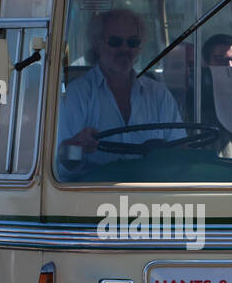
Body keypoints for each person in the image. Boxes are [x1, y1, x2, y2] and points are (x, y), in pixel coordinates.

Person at [57, 9, 184, 170]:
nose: (125, 49)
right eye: (115, 41)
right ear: (97, 44)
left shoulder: (159, 95)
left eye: (132, 42)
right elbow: (61, 167)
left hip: (150, 189)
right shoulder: (77, 95)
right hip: (94, 190)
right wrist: (77, 148)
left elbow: (179, 151)